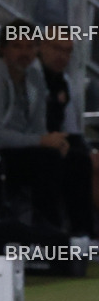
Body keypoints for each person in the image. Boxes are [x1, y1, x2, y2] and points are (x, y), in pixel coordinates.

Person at [0, 20, 85, 235]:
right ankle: (49, 235)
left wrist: (51, 142)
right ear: (3, 49)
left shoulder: (35, 79)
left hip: (21, 151)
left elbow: (38, 128)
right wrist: (42, 141)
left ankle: (81, 236)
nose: (25, 53)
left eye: (30, 47)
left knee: (77, 160)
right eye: (17, 46)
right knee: (47, 160)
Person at [34, 32, 95, 239]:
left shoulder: (63, 82)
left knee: (85, 160)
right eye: (57, 49)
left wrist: (89, 152)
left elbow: (72, 130)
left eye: (67, 51)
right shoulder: (31, 78)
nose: (62, 56)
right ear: (41, 47)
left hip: (55, 143)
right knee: (62, 162)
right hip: (31, 145)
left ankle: (86, 235)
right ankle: (54, 235)